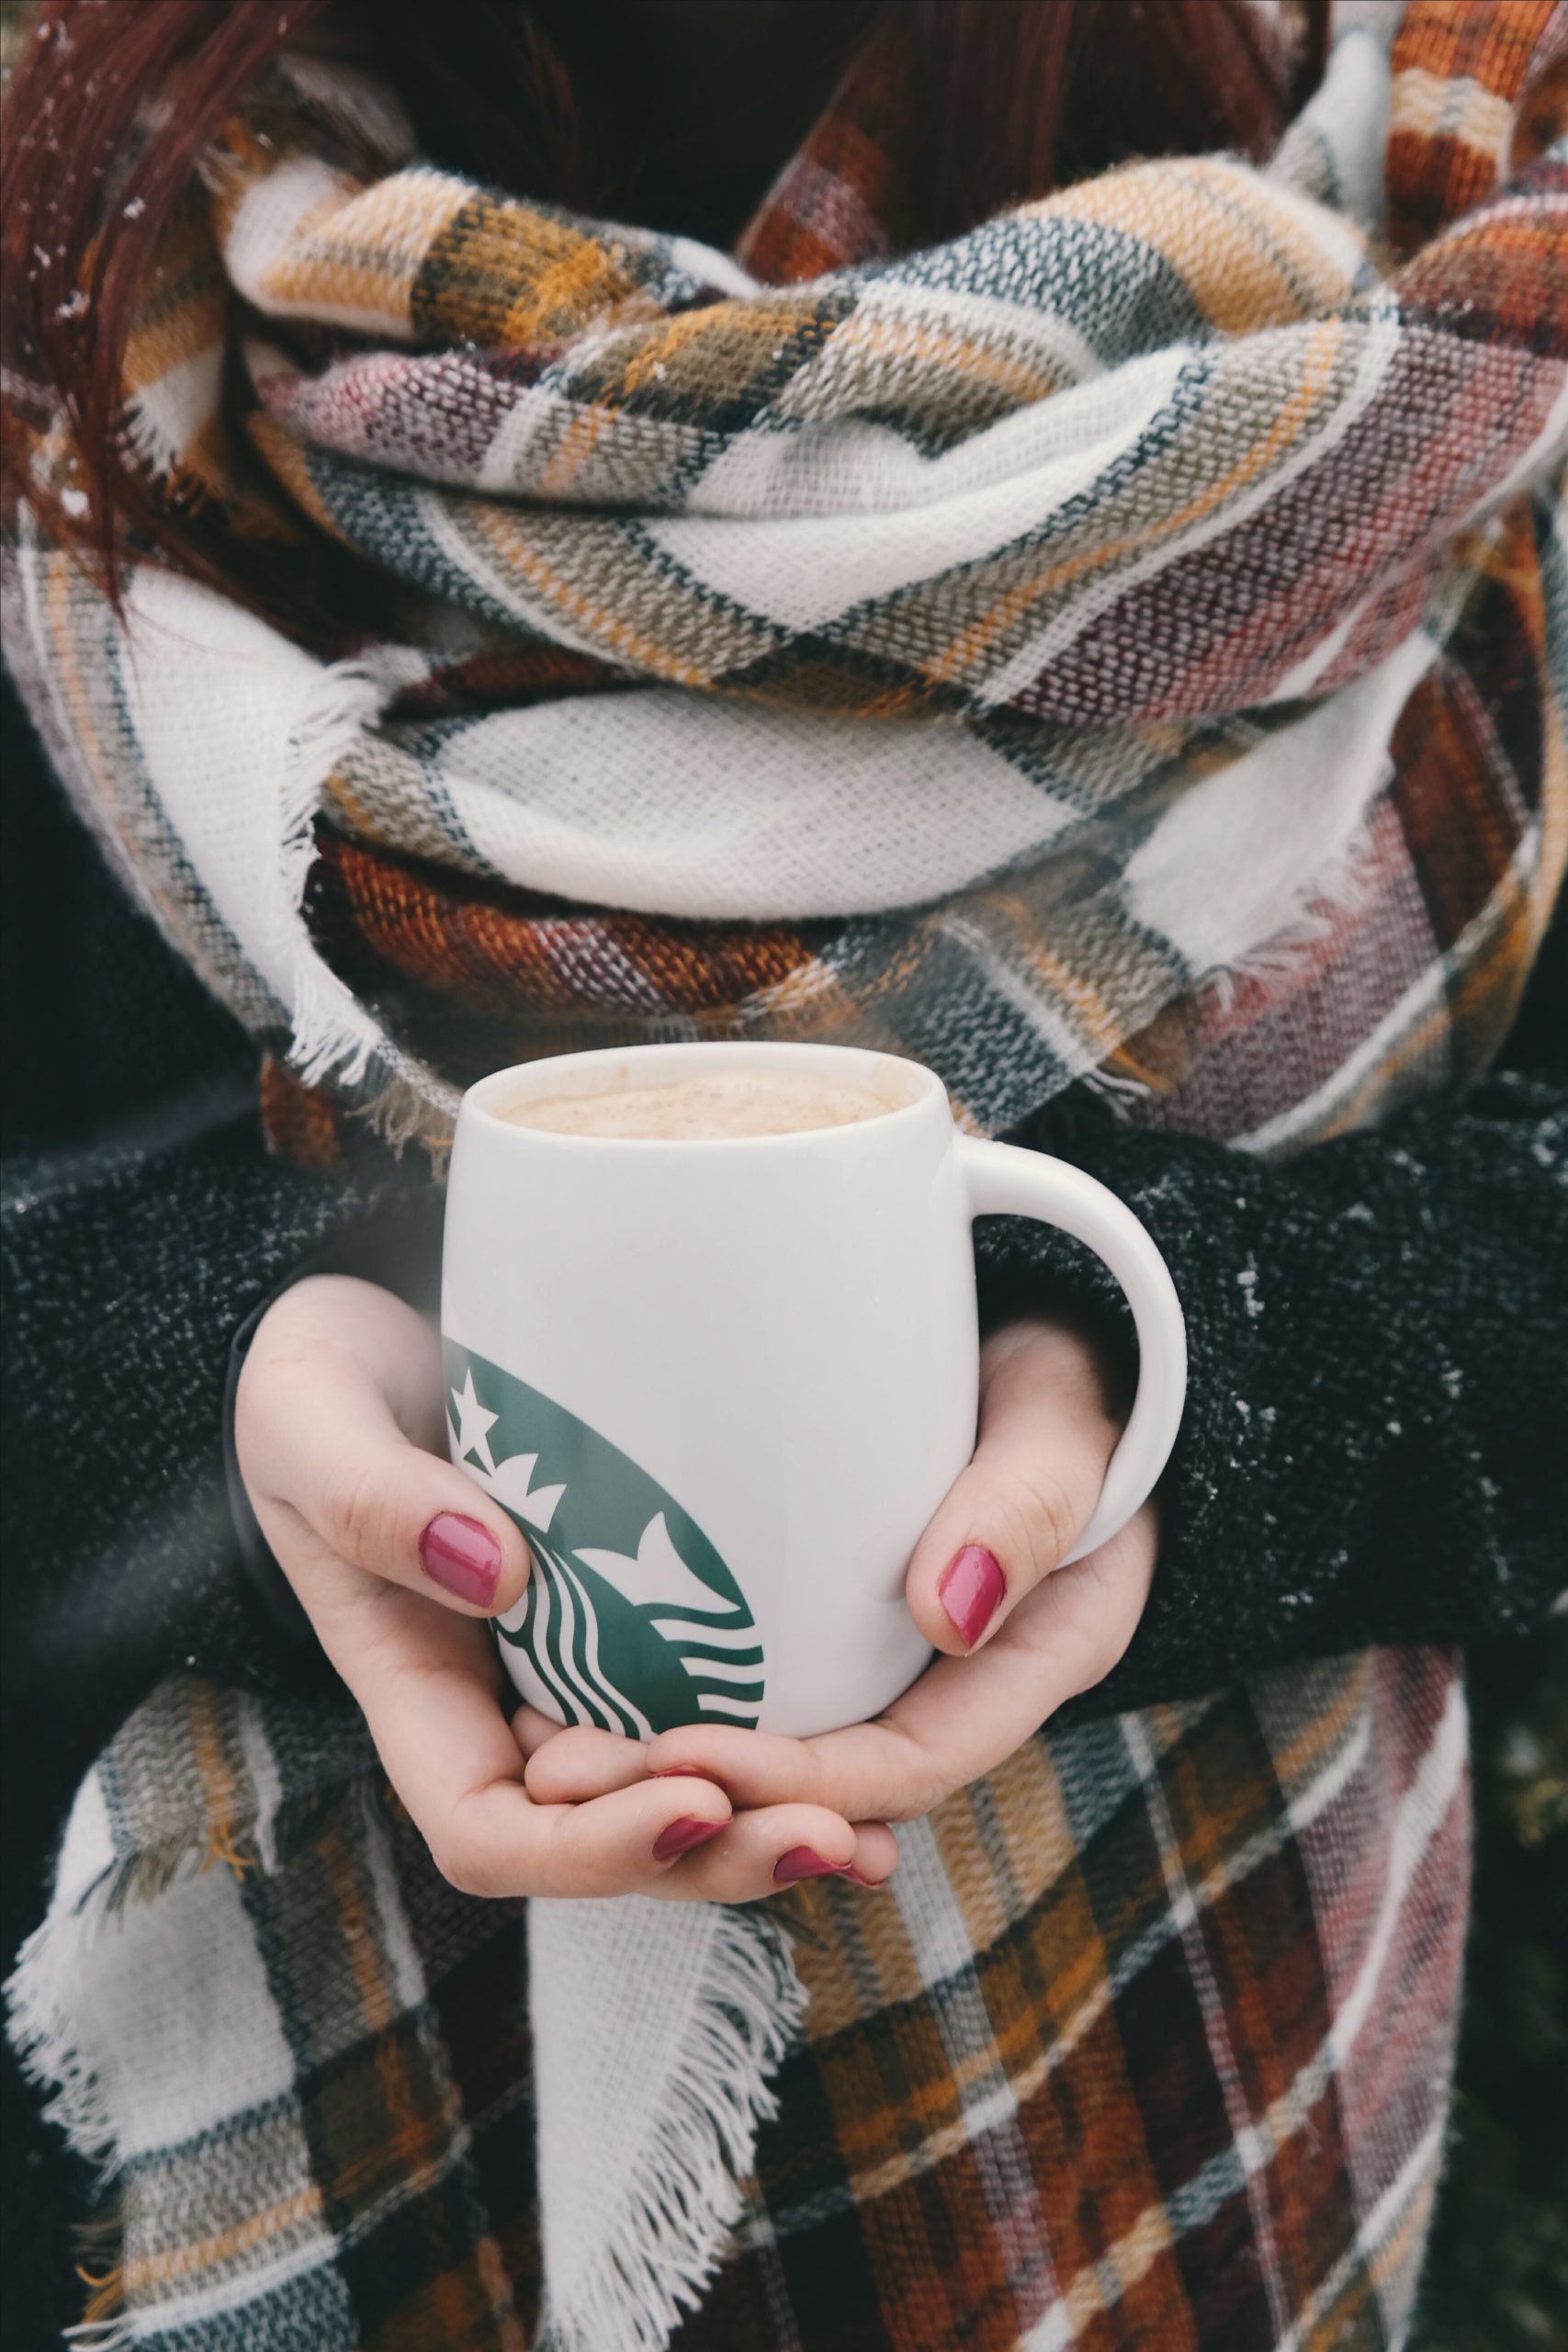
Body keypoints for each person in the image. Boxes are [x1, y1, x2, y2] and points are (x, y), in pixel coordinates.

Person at [2, 2, 1563, 2346]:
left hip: (1174, 2078)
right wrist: (215, 1376)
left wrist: (1172, 1383)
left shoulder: (1461, 220)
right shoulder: (83, 251)